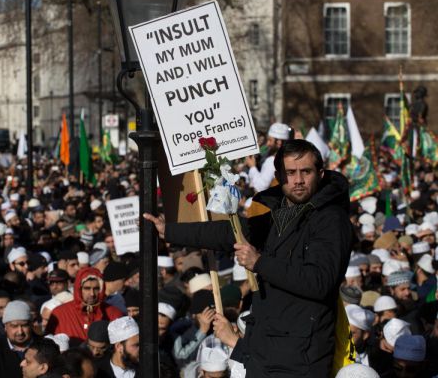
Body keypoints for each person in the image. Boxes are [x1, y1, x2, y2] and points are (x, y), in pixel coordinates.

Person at [145, 139, 354, 377]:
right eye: (291, 173)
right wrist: (169, 230)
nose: (298, 180)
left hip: (299, 359)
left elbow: (320, 281)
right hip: (265, 352)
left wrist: (260, 263)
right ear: (279, 175)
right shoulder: (281, 215)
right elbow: (230, 233)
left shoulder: (330, 219)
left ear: (320, 173)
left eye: (305, 172)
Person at [45, 267, 123, 346]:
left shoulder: (114, 314)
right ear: (79, 289)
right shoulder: (59, 314)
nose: (92, 294)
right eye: (87, 288)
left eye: (96, 288)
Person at [0, 300, 36, 378]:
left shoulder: (46, 347)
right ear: (5, 326)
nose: (20, 332)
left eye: (24, 325)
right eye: (14, 326)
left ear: (31, 325)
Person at [245, 122, 291, 193]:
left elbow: (260, 187)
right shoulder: (289, 158)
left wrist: (252, 167)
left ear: (279, 142)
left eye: (270, 140)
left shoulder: (273, 161)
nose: (267, 144)